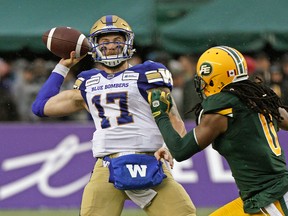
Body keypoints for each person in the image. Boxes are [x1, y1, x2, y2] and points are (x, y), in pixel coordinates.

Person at [32, 15, 196, 216]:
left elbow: (174, 119)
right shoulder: (88, 82)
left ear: (127, 42)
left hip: (150, 162)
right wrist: (63, 66)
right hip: (107, 167)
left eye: (117, 40)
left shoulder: (147, 74)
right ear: (95, 46)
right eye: (105, 41)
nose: (111, 46)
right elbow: (40, 107)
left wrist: (169, 147)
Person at [149, 46, 288, 215]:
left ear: (215, 79)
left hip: (270, 199)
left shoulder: (222, 111)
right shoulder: (258, 97)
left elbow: (181, 150)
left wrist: (160, 115)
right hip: (268, 194)